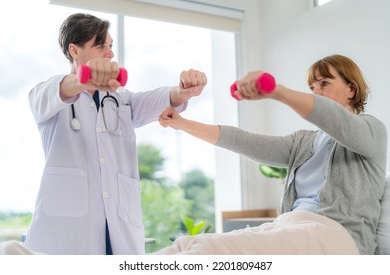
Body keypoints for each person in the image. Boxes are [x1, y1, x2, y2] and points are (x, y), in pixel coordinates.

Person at [159, 54, 387, 255]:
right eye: (312, 87)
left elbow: (336, 120)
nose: (316, 91)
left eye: (324, 83)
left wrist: (274, 90)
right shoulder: (304, 141)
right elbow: (244, 141)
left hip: (338, 237)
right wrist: (182, 123)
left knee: (206, 253)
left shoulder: (371, 130)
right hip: (288, 225)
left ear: (352, 89)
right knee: (186, 245)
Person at [25, 13, 207, 255]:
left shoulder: (118, 98)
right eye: (100, 46)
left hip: (119, 233)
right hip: (67, 237)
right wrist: (84, 78)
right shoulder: (48, 93)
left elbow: (155, 99)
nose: (110, 54)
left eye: (110, 46)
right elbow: (62, 90)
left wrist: (183, 91)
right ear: (74, 50)